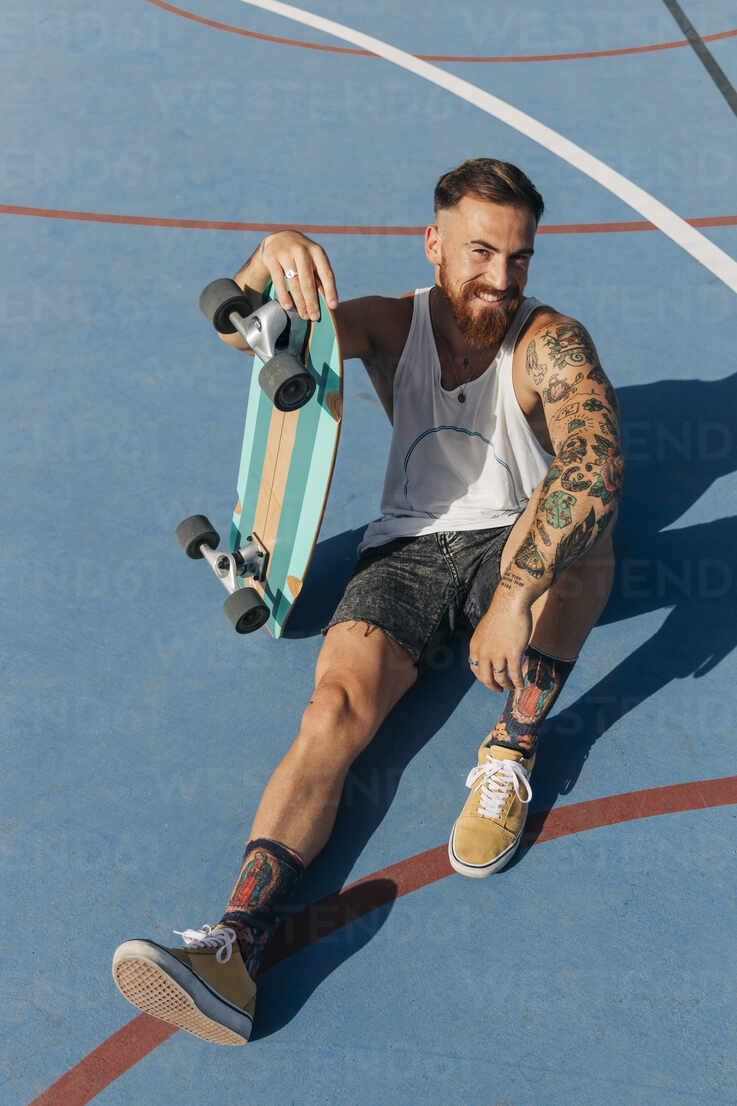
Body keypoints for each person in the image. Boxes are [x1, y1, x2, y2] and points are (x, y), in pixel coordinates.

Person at [112, 158, 624, 1045]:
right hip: (407, 549)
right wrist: (268, 259)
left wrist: (514, 589)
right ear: (432, 246)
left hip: (516, 538)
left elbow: (594, 460)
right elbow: (256, 337)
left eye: (518, 258)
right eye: (478, 253)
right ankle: (235, 946)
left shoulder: (550, 342)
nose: (499, 279)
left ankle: (513, 745)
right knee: (331, 712)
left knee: (586, 541)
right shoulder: (391, 325)